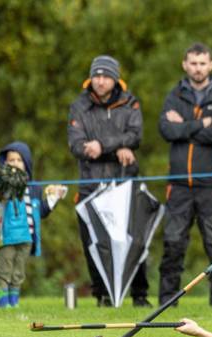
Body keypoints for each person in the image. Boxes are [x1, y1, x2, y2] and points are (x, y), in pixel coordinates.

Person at [68, 55, 151, 308]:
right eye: (97, 76)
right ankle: (102, 295)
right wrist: (118, 146)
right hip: (90, 184)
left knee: (133, 239)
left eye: (106, 76)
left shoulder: (130, 103)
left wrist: (103, 145)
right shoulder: (78, 106)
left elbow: (135, 137)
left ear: (115, 79)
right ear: (90, 78)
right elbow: (77, 145)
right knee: (94, 243)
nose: (100, 81)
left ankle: (139, 295)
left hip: (125, 181)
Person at [158, 43, 212, 307]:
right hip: (178, 184)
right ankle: (167, 301)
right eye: (193, 63)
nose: (198, 68)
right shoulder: (174, 94)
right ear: (184, 64)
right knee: (173, 243)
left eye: (202, 63)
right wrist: (201, 124)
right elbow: (167, 130)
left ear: (210, 65)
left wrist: (185, 126)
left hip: (211, 185)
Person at [0, 141, 66, 308]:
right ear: (5, 163)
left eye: (19, 160)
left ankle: (13, 300)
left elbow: (41, 212)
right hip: (9, 236)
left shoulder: (35, 188)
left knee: (18, 271)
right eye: (11, 160)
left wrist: (54, 197)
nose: (15, 163)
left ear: (26, 163)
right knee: (5, 268)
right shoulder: (3, 183)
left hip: (27, 237)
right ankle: (1, 301)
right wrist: (5, 182)